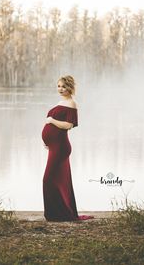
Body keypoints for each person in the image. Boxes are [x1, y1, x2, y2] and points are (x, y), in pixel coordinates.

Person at [42, 75, 94, 222]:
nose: (61, 89)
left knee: (48, 179)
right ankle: (59, 213)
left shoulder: (72, 103)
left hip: (61, 147)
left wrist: (51, 120)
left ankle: (57, 214)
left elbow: (68, 125)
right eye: (58, 86)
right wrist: (48, 141)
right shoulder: (61, 102)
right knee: (60, 180)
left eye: (64, 86)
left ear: (70, 87)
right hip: (55, 147)